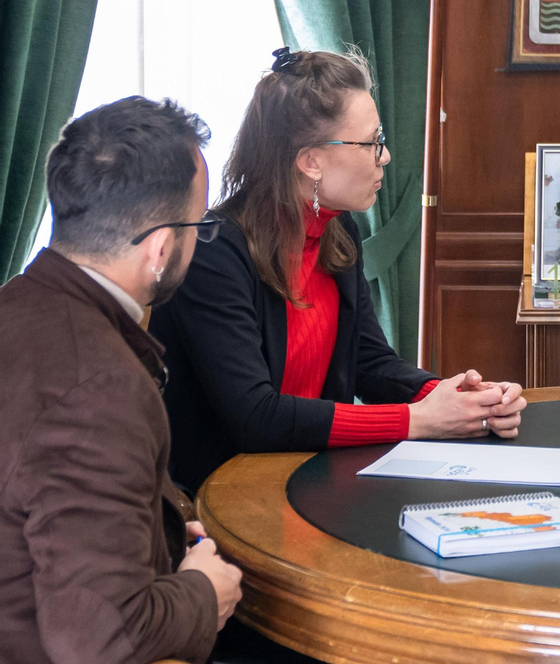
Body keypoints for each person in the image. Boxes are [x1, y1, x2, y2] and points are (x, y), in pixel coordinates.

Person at [152, 49, 527, 495]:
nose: (385, 156)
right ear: (311, 161)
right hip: (223, 496)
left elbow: (369, 361)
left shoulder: (337, 228)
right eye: (372, 142)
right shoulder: (215, 253)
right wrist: (418, 420)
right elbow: (255, 417)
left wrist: (455, 398)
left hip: (312, 478)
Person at [0, 97, 241, 663]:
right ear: (160, 248)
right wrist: (204, 592)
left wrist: (159, 538)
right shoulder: (100, 390)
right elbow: (102, 638)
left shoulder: (14, 306)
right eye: (199, 227)